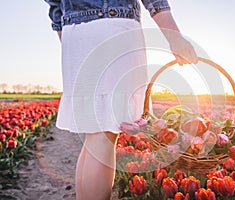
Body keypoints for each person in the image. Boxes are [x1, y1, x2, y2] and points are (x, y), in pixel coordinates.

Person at [44, 0, 198, 199]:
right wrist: (173, 35)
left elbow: (54, 4)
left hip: (73, 34)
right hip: (113, 25)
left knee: (94, 135)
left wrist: (71, 38)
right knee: (104, 135)